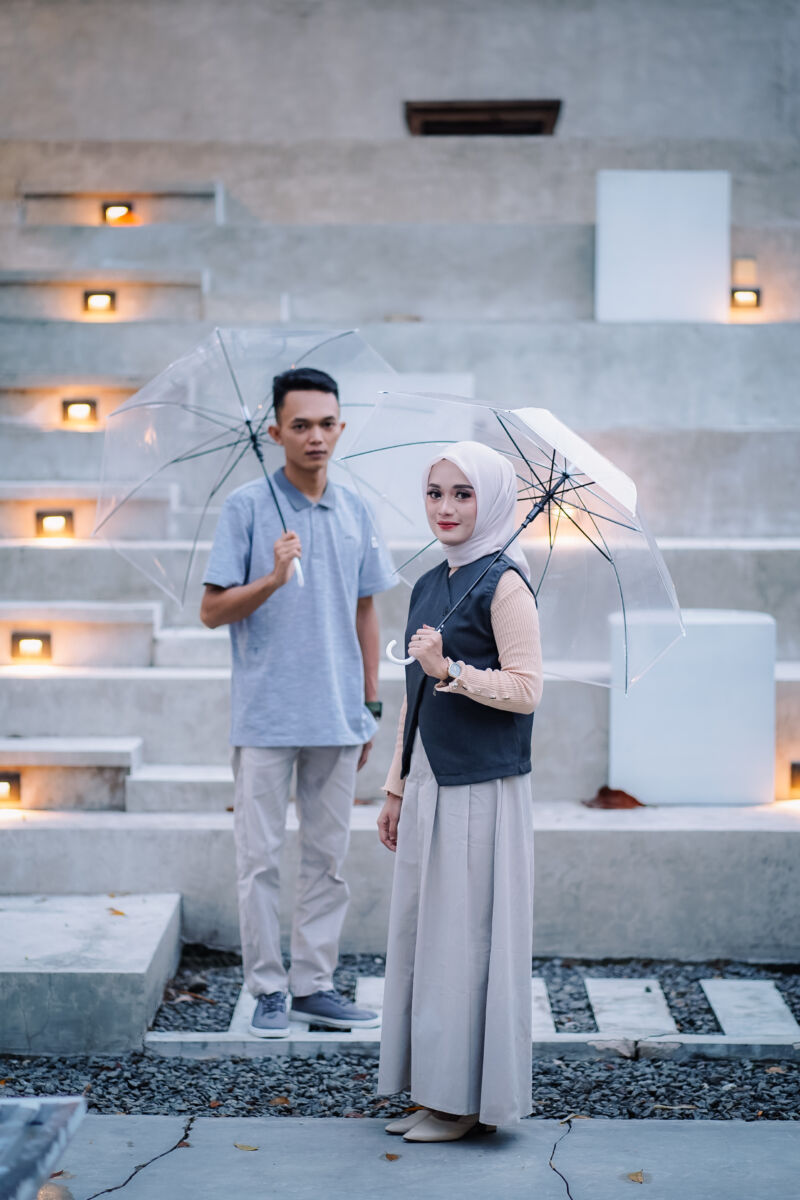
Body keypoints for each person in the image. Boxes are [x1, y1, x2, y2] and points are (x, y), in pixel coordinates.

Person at [201, 366, 396, 1038]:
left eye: (327, 424)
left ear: (341, 428)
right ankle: (267, 989)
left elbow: (366, 609)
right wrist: (274, 577)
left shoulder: (356, 510)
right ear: (275, 431)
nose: (316, 436)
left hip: (338, 714)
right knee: (258, 860)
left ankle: (314, 985)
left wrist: (370, 702)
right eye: (301, 424)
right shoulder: (246, 508)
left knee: (327, 861)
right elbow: (211, 610)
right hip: (266, 715)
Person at [376, 440, 543, 1142]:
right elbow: (412, 698)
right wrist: (395, 787)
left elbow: (527, 690)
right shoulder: (428, 583)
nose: (445, 507)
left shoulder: (506, 584)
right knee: (427, 939)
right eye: (435, 492)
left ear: (493, 500)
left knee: (466, 941)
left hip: (481, 787)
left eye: (463, 494)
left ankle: (468, 1103)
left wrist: (453, 670)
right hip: (430, 780)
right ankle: (434, 1091)